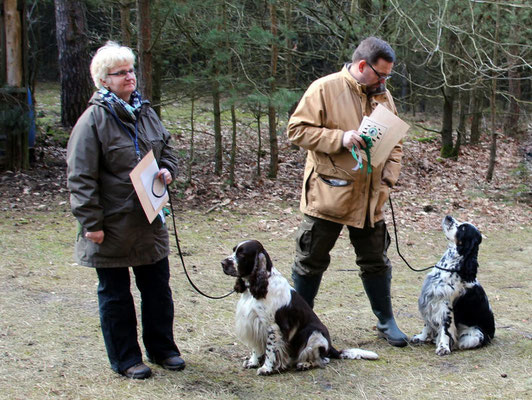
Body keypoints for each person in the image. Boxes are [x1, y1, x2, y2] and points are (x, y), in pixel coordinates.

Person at [66, 41, 184, 379]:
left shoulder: (145, 112)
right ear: (104, 80)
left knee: (158, 289)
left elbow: (167, 149)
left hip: (150, 220)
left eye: (131, 70)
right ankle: (126, 359)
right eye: (121, 73)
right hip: (112, 224)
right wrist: (92, 224)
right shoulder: (92, 121)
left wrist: (168, 170)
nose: (129, 77)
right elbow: (80, 177)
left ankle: (163, 350)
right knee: (116, 296)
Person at [287, 37, 408, 347]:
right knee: (310, 260)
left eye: (388, 76)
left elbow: (395, 146)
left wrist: (387, 184)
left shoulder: (383, 97)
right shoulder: (324, 89)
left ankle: (386, 321)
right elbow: (296, 130)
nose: (384, 81)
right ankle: (298, 324)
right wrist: (340, 138)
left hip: (370, 200)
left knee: (376, 261)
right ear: (362, 65)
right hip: (328, 194)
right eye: (380, 75)